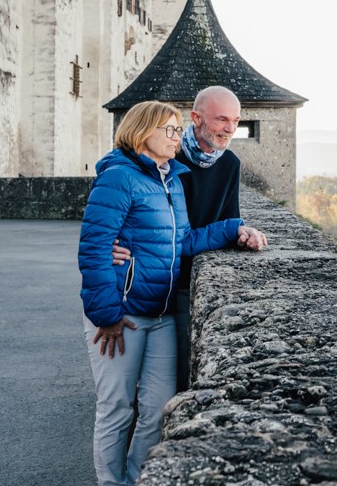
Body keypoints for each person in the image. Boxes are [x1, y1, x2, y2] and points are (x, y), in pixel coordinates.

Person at [77, 99, 262, 486]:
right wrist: (106, 315)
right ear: (143, 130)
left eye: (179, 130)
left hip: (160, 315)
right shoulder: (118, 177)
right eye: (170, 130)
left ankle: (137, 480)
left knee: (158, 410)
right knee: (116, 408)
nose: (178, 138)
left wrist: (233, 229)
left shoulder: (172, 179)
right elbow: (94, 248)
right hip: (122, 314)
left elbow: (184, 240)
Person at [111, 85, 262, 390]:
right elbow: (125, 201)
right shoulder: (166, 154)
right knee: (126, 387)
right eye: (222, 119)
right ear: (196, 118)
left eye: (236, 120)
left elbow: (226, 218)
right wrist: (110, 243)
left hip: (187, 279)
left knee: (172, 381)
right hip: (147, 278)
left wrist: (241, 231)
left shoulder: (229, 163)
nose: (230, 128)